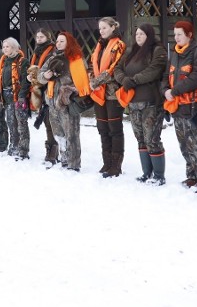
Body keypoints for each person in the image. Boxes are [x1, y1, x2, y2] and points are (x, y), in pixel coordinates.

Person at [164, 21, 197, 192]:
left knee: (195, 143)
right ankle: (192, 176)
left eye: (180, 34)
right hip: (177, 106)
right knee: (183, 143)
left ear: (189, 35)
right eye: (175, 34)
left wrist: (175, 91)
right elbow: (166, 75)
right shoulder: (175, 53)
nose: (176, 37)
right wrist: (165, 90)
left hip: (193, 106)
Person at [114, 23, 168, 184]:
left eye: (142, 34)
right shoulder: (131, 51)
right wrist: (124, 80)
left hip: (151, 102)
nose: (138, 37)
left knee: (152, 138)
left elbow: (154, 70)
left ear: (149, 35)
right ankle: (146, 172)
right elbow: (117, 68)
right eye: (137, 34)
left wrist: (133, 80)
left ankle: (159, 175)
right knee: (140, 138)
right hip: (133, 102)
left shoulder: (157, 51)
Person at [38, 31, 91, 171]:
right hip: (52, 103)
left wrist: (67, 90)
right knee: (58, 134)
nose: (58, 43)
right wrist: (45, 75)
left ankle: (74, 165)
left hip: (68, 103)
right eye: (57, 41)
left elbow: (83, 82)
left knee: (71, 134)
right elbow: (39, 76)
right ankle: (64, 160)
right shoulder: (51, 58)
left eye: (62, 41)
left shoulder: (76, 59)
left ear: (69, 42)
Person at [89, 17, 127, 177]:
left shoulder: (119, 45)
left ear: (113, 27)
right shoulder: (99, 46)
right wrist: (91, 78)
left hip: (112, 93)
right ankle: (107, 162)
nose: (102, 31)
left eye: (104, 27)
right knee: (102, 129)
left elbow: (115, 68)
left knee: (115, 129)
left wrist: (97, 81)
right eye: (100, 28)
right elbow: (92, 64)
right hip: (99, 93)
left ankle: (116, 165)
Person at [27, 28, 58, 164]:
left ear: (48, 37)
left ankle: (54, 150)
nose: (39, 39)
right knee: (47, 121)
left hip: (50, 89)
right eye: (37, 37)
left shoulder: (52, 51)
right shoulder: (37, 52)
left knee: (51, 122)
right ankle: (50, 149)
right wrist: (30, 77)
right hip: (39, 88)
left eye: (41, 37)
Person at [0, 37, 30, 160]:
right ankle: (13, 145)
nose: (5, 49)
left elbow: (25, 81)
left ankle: (23, 149)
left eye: (7, 46)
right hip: (6, 95)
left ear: (14, 47)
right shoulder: (4, 61)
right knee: (11, 121)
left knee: (21, 122)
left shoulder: (22, 61)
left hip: (18, 95)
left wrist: (22, 96)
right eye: (4, 47)